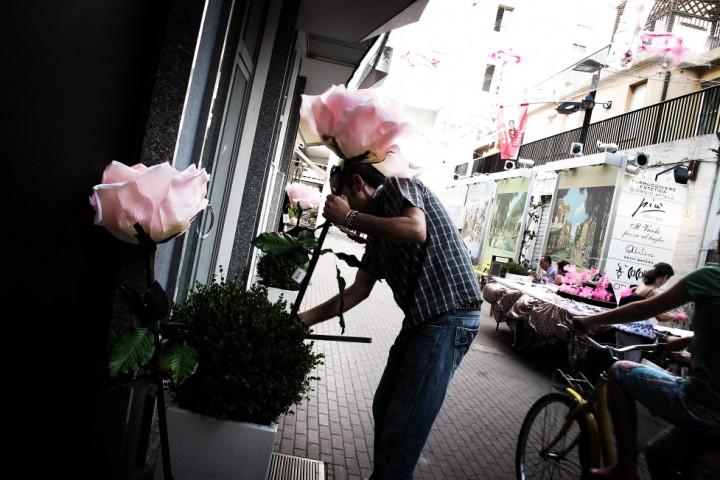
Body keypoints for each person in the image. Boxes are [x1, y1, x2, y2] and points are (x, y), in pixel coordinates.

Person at [298, 163, 483, 479]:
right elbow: (357, 291)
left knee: (403, 426)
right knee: (384, 408)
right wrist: (302, 321)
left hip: (449, 314)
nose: (334, 204)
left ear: (358, 184)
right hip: (422, 322)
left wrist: (349, 217)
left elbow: (415, 229)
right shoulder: (376, 238)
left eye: (338, 196)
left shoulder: (396, 188)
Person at [572, 229, 720, 480]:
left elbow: (644, 309)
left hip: (703, 402)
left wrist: (591, 320)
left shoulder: (710, 277)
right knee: (657, 453)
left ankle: (625, 468)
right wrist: (688, 340)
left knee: (620, 371)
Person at [613, 262, 675, 362]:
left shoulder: (640, 287)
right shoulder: (653, 292)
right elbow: (660, 317)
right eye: (667, 279)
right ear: (665, 277)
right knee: (630, 365)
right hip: (633, 333)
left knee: (618, 362)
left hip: (621, 328)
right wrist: (676, 316)